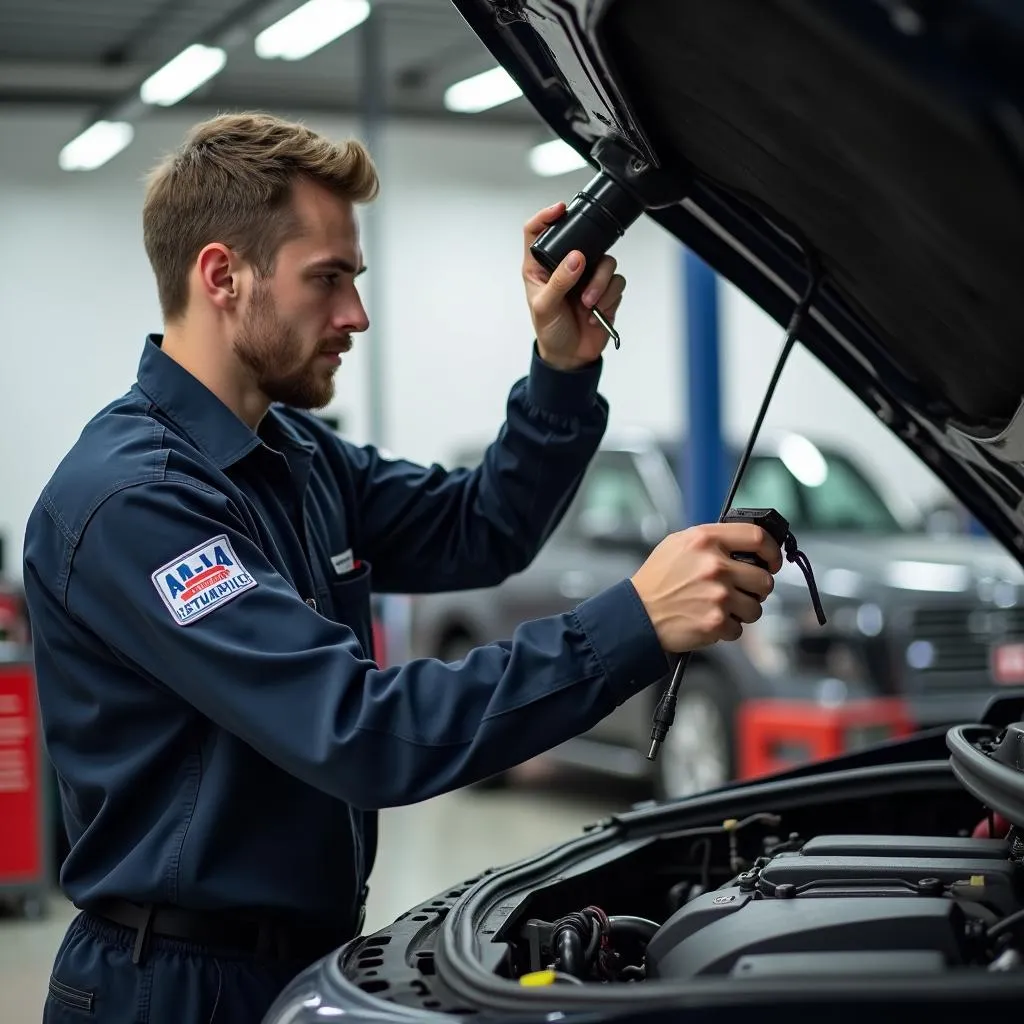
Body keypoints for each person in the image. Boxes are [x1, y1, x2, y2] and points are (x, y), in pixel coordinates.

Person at [22, 112, 782, 1023]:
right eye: (328, 279)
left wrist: (560, 369)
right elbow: (361, 733)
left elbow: (482, 527)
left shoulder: (296, 455)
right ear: (222, 275)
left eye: (356, 278)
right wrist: (635, 621)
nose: (356, 314)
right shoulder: (136, 505)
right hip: (173, 987)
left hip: (299, 957)